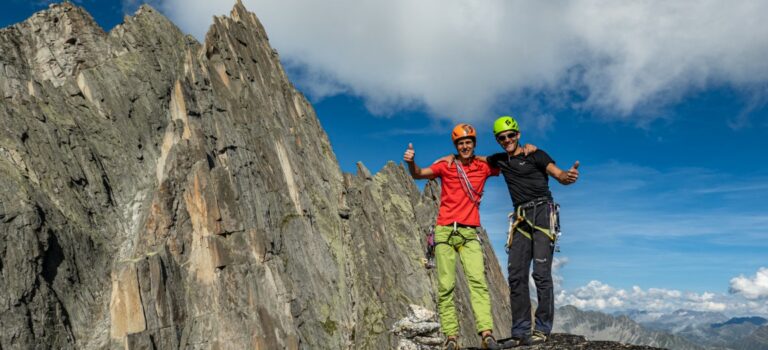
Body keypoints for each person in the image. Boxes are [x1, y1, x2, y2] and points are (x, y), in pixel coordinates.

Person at [403, 123, 501, 350]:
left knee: (478, 282)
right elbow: (419, 174)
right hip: (445, 230)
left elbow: (508, 162)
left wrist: (528, 150)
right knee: (446, 286)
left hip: (469, 232)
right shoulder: (445, 165)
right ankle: (451, 337)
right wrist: (410, 162)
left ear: (474, 144)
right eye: (460, 143)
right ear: (456, 145)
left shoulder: (483, 167)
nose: (465, 146)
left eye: (468, 142)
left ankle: (486, 333)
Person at [486, 115, 579, 345]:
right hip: (520, 217)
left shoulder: (536, 154)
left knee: (541, 273)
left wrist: (568, 177)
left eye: (510, 135)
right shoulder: (499, 160)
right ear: (498, 140)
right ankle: (520, 332)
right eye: (501, 137)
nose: (506, 140)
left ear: (518, 134)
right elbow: (470, 159)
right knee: (516, 274)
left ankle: (543, 330)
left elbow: (558, 175)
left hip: (542, 213)